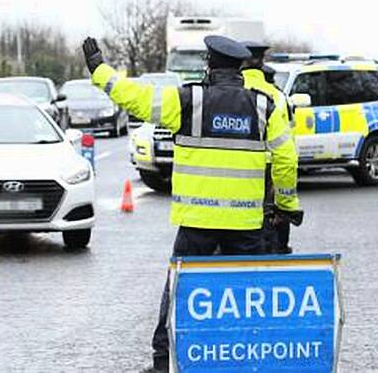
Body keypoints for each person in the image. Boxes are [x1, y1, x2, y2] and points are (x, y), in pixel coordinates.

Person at [81, 35, 300, 372]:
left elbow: (136, 98)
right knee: (248, 297)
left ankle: (163, 362)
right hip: (245, 225)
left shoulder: (188, 100)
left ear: (209, 65)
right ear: (240, 68)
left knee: (181, 292)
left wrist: (100, 71)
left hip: (197, 221)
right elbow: (286, 159)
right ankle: (250, 360)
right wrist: (286, 205)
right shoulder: (263, 105)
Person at [240, 41, 302, 254]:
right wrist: (287, 204)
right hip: (269, 175)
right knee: (273, 230)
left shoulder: (229, 91)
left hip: (238, 172)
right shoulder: (278, 96)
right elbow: (287, 150)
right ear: (261, 62)